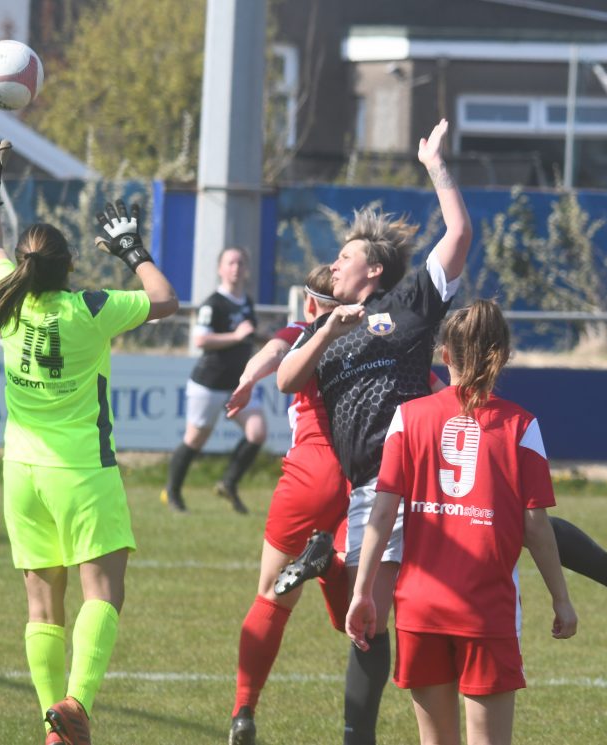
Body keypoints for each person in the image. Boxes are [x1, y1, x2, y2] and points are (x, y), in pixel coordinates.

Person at [0, 124, 178, 745]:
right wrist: (134, 251)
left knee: (40, 607)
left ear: (24, 266)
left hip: (20, 475)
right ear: (69, 266)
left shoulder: (4, 297)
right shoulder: (90, 310)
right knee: (103, 592)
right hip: (82, 471)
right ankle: (76, 702)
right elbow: (165, 301)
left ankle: (50, 725)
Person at [277, 118, 471, 745]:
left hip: (426, 476)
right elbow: (285, 380)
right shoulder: (322, 329)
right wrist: (327, 330)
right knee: (370, 621)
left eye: (346, 256)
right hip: (369, 488)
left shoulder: (407, 303)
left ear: (376, 273)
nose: (334, 262)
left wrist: (436, 169)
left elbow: (460, 236)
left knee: (505, 547)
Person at [345, 299, 578, 745]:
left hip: (419, 607)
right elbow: (535, 525)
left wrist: (362, 592)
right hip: (485, 611)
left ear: (444, 354)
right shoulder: (520, 426)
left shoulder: (407, 418)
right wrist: (561, 599)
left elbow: (382, 511)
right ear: (504, 355)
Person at [424, 377, 607, 645]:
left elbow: (438, 390)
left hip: (408, 469)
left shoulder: (408, 361)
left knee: (519, 522)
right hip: (387, 479)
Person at [226, 266, 353, 745]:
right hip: (360, 477)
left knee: (270, 599)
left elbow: (275, 351)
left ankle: (244, 708)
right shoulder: (374, 338)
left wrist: (246, 378)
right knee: (353, 619)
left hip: (308, 473)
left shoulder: (304, 332)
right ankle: (331, 568)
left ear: (309, 303)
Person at [162, 246, 266, 514]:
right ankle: (172, 492)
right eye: (230, 262)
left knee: (257, 432)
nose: (236, 267)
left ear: (247, 269)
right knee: (195, 440)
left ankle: (228, 483)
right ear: (220, 269)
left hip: (237, 384)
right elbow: (200, 339)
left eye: (241, 262)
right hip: (208, 383)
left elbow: (249, 336)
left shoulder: (247, 302)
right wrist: (236, 336)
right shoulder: (213, 303)